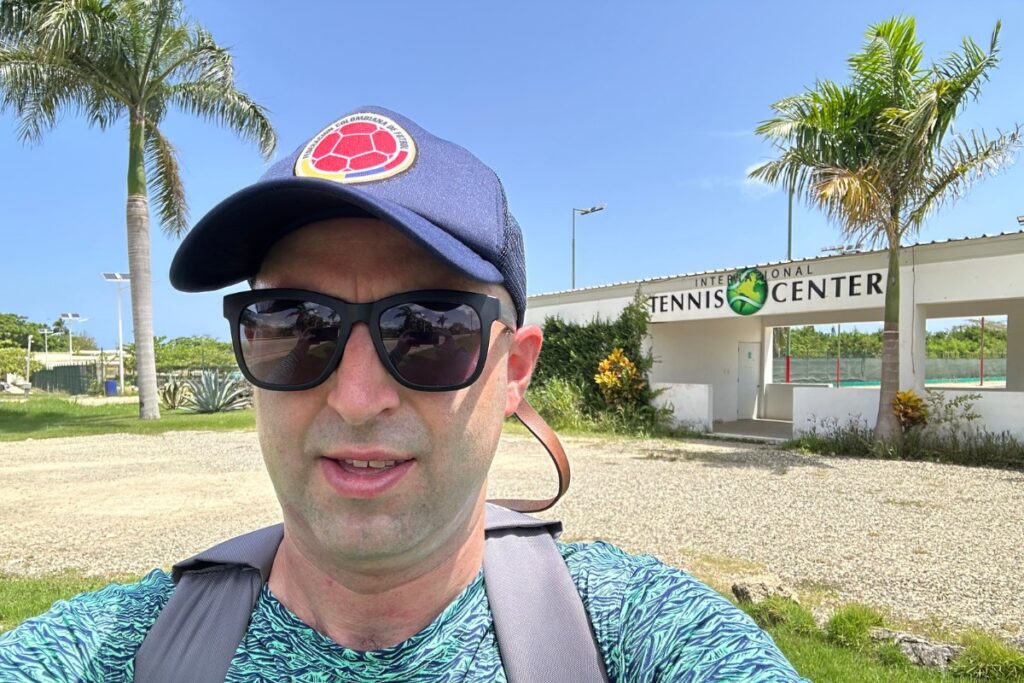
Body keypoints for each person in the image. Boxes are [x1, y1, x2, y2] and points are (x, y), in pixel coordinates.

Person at [0, 106, 806, 681]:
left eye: (428, 329)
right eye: (295, 324)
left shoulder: (630, 632)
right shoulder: (130, 646)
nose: (355, 397)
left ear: (514, 367)